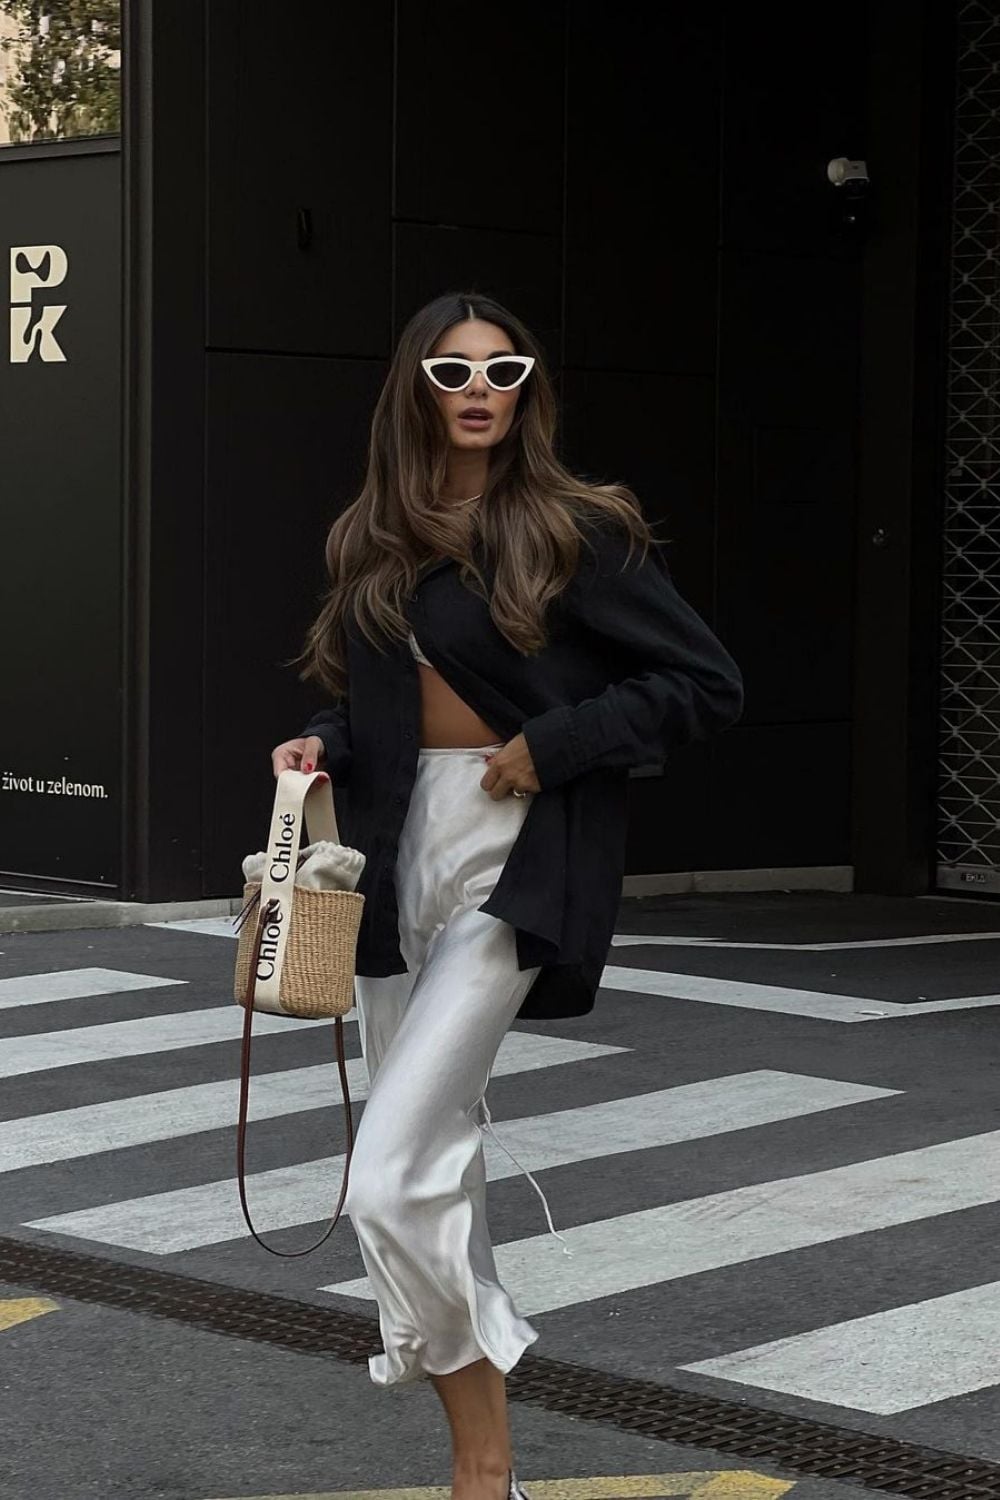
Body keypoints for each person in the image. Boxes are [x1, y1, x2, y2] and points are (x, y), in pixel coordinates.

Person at [271, 291, 743, 1500]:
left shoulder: (574, 527)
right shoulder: (374, 534)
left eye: (501, 369)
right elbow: (372, 699)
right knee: (439, 1170)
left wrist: (557, 743)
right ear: (414, 390)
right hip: (392, 848)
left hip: (517, 848)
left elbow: (704, 682)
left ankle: (484, 1471)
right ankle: (485, 1472)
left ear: (527, 389)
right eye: (451, 371)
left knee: (389, 1175)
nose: (478, 389)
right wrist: (322, 740)